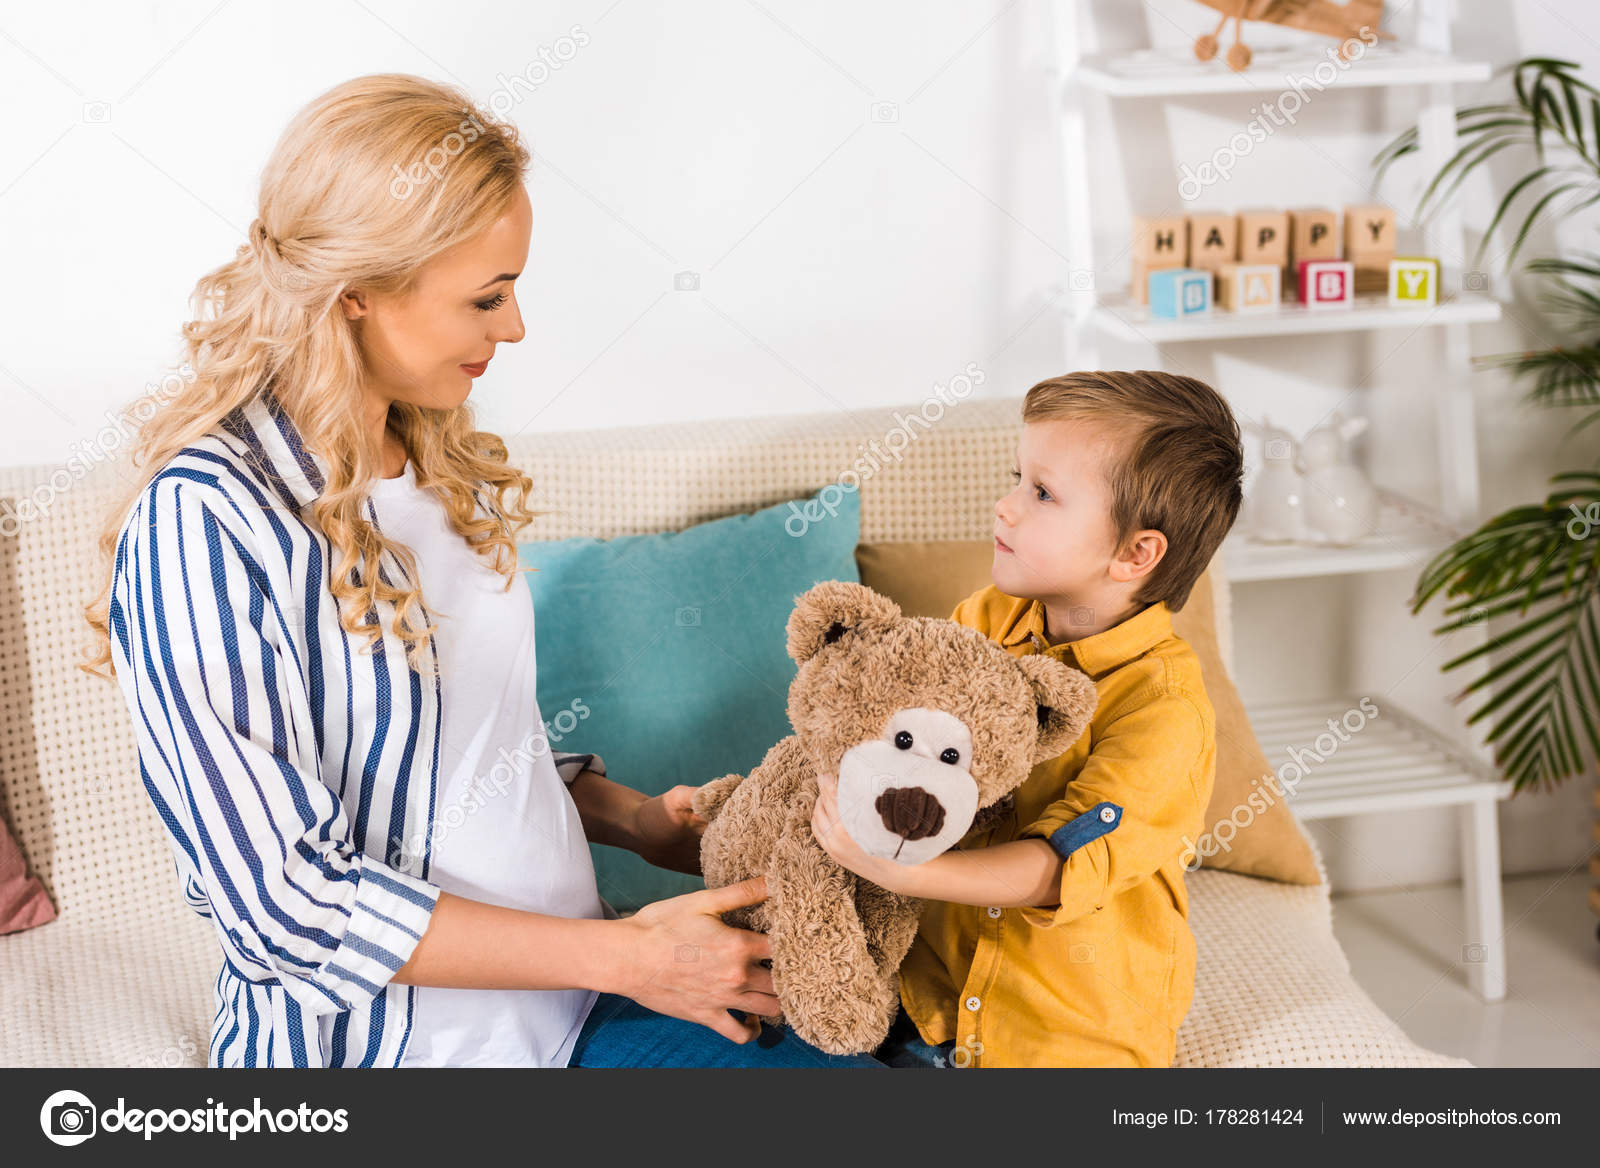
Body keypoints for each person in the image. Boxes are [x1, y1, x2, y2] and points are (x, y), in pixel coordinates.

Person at [82, 73, 878, 1069]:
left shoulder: (428, 456)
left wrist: (638, 822)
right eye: (486, 296)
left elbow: (440, 755)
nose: (514, 328)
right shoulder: (207, 519)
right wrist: (630, 957)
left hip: (574, 1007)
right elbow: (285, 905)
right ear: (357, 291)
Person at [813, 370, 1244, 1067]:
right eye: (1018, 478)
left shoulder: (1164, 711)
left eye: (1042, 493)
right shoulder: (987, 618)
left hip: (1067, 1043)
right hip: (927, 1010)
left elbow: (1053, 869)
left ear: (1136, 553)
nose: (1005, 507)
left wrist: (904, 874)